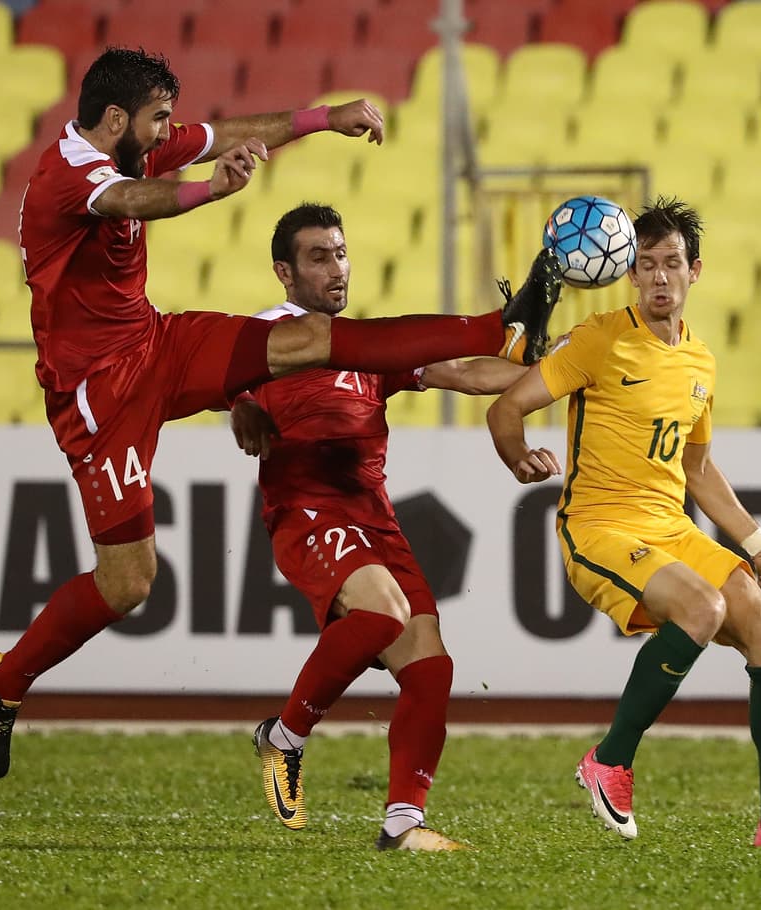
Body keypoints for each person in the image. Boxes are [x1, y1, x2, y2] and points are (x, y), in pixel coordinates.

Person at [0, 47, 563, 780]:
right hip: (98, 396)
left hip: (155, 344)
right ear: (115, 119)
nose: (167, 132)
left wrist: (325, 118)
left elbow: (222, 133)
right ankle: (4, 681)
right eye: (158, 120)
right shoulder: (70, 175)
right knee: (128, 583)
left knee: (311, 338)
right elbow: (132, 201)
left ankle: (499, 324)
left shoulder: (131, 143)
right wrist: (208, 191)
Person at [486, 197, 761, 850]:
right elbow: (506, 407)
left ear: (694, 271)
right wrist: (517, 454)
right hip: (600, 527)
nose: (660, 277)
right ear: (630, 274)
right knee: (701, 608)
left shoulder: (699, 361)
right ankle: (610, 760)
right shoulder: (598, 339)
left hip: (669, 528)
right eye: (646, 265)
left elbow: (697, 469)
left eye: (672, 263)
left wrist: (758, 546)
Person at [227, 202, 535, 852]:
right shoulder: (269, 334)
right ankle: (283, 737)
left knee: (430, 667)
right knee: (384, 614)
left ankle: (403, 823)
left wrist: (561, 372)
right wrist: (243, 405)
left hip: (373, 516)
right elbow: (224, 380)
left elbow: (467, 373)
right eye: (318, 257)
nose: (336, 268)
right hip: (308, 511)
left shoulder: (367, 346)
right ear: (284, 272)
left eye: (341, 253)